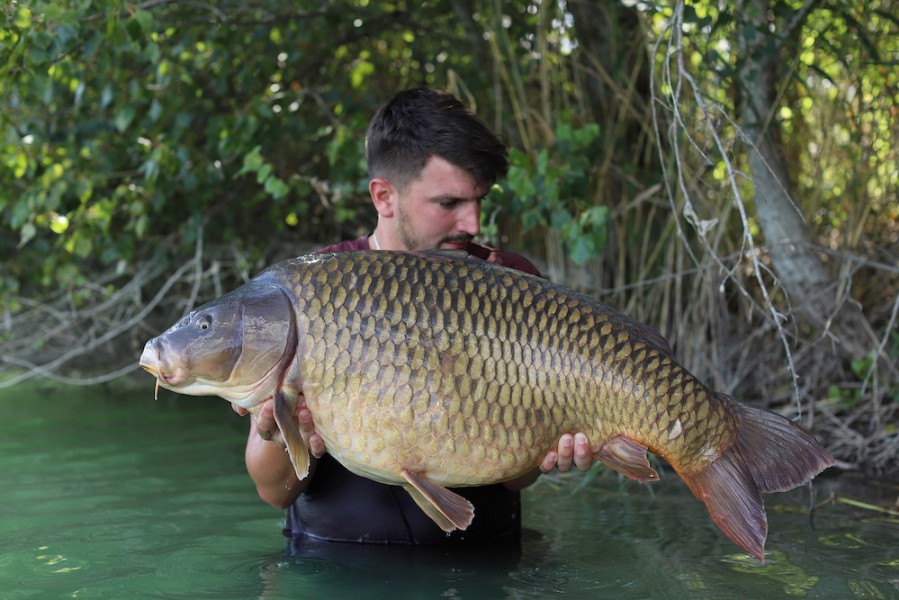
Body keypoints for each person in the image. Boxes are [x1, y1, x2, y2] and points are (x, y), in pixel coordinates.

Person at [238, 88, 594, 546]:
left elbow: (515, 482)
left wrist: (551, 448)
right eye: (449, 204)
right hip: (335, 565)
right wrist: (283, 431)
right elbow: (272, 492)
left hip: (483, 564)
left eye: (480, 199)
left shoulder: (510, 284)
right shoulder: (313, 291)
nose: (473, 223)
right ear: (385, 196)